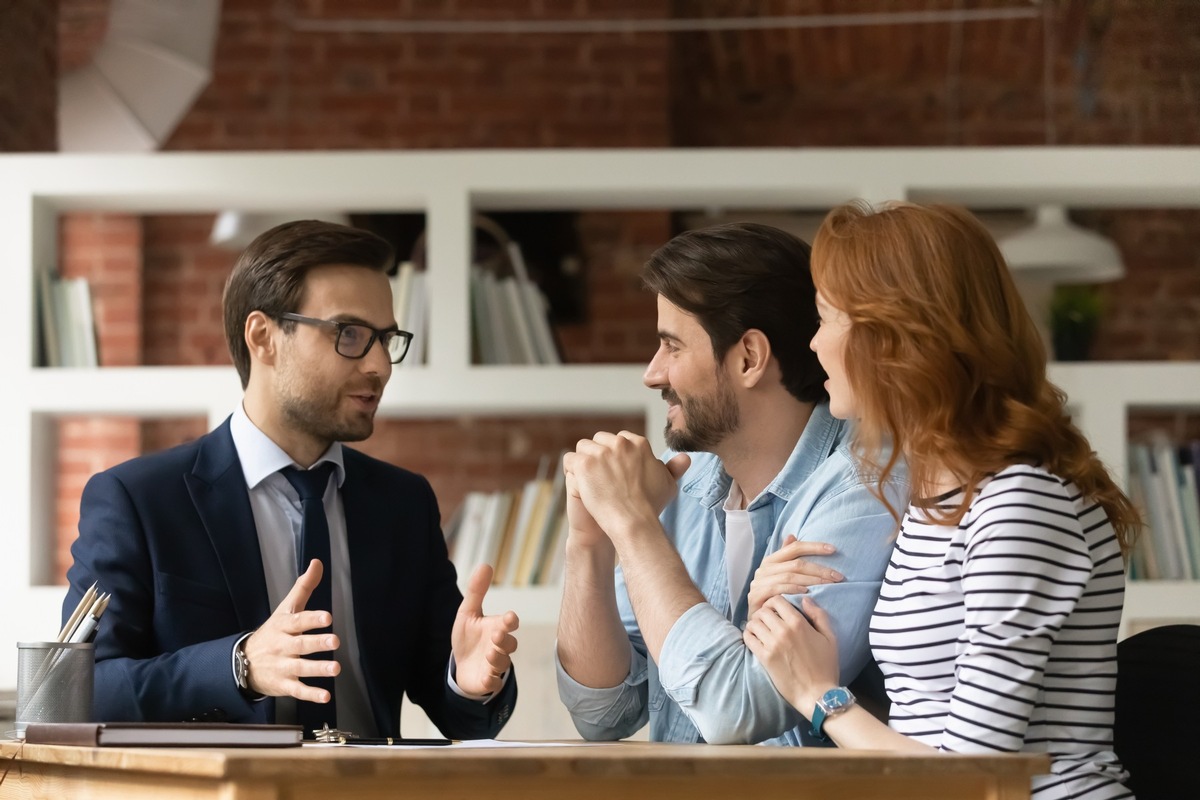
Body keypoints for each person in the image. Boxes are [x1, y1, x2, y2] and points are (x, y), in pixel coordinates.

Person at [63, 220, 519, 739]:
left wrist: (472, 680)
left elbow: (458, 706)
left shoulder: (403, 503)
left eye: (386, 339)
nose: (379, 366)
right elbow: (79, 691)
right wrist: (239, 665)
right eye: (349, 334)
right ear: (263, 337)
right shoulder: (138, 500)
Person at [743, 201, 1137, 798]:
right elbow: (920, 717)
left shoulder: (1021, 504)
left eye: (826, 318)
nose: (814, 343)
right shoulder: (930, 501)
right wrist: (774, 618)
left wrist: (820, 697)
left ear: (895, 336)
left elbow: (973, 773)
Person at [555, 222, 907, 745]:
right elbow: (604, 715)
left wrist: (633, 527)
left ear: (749, 357)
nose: (653, 374)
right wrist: (589, 542)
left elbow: (738, 709)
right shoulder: (685, 485)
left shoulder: (863, 491)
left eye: (672, 347)